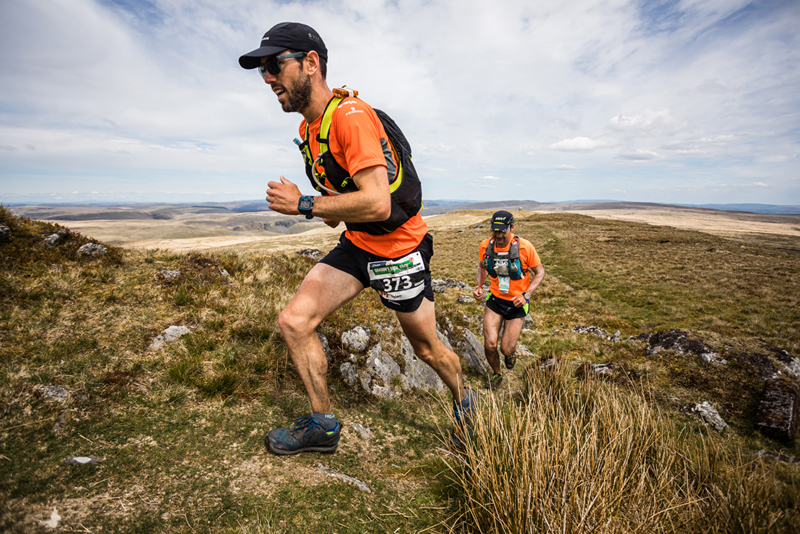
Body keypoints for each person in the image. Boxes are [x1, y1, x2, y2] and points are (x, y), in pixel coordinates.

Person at [239, 22, 474, 455]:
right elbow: (343, 205)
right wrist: (321, 206)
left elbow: (379, 204)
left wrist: (303, 204)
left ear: (311, 63)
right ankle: (324, 427)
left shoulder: (351, 117)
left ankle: (465, 404)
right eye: (262, 70)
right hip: (359, 245)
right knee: (295, 322)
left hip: (400, 249)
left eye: (274, 64)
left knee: (427, 350)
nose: (268, 78)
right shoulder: (310, 132)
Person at [473, 211, 545, 390]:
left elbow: (540, 273)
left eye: (502, 231)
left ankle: (510, 354)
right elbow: (482, 266)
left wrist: (526, 295)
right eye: (494, 230)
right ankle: (497, 374)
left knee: (506, 348)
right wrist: (479, 286)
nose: (498, 235)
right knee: (490, 344)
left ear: (512, 227)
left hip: (517, 304)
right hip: (495, 300)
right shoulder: (486, 245)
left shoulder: (525, 247)